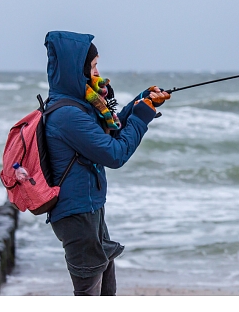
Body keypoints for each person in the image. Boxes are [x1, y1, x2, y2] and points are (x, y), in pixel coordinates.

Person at [43, 31, 170, 296]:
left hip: (90, 209)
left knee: (107, 287)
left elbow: (111, 130)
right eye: (93, 65)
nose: (98, 71)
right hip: (77, 216)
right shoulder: (68, 115)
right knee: (89, 293)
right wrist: (142, 116)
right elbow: (115, 154)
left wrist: (141, 101)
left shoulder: (82, 103)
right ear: (76, 69)